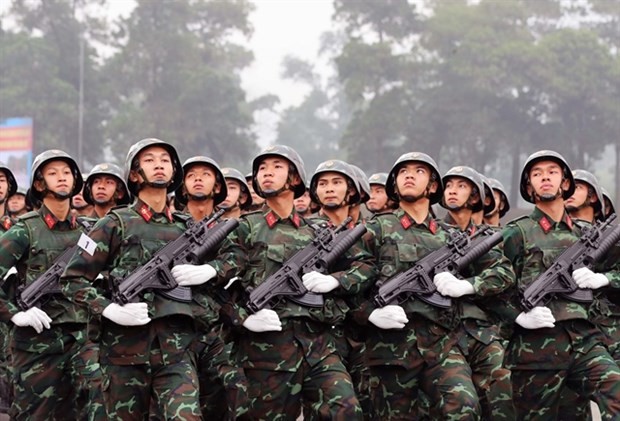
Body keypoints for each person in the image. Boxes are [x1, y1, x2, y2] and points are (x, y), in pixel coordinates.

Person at [186, 145, 366, 418]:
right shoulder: (244, 228)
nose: (267, 173)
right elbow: (212, 291)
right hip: (265, 351)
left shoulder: (320, 231)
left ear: (295, 179)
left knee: (347, 411)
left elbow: (365, 266)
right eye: (262, 168)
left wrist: (336, 281)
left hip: (319, 345)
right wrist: (242, 317)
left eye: (276, 167)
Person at [60, 138, 203, 420]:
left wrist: (211, 271)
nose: (159, 164)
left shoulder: (188, 228)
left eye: (164, 159)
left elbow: (224, 275)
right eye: (149, 160)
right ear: (135, 174)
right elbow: (72, 279)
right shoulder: (113, 224)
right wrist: (109, 309)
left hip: (176, 353)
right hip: (124, 354)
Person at [355, 152, 481, 419]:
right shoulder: (375, 230)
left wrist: (469, 285)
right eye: (403, 172)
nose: (409, 175)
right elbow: (345, 285)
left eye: (419, 171)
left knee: (464, 405)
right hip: (390, 350)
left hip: (442, 345)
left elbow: (503, 271)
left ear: (434, 186)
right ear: (395, 184)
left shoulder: (451, 237)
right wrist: (369, 313)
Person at [501, 150, 620, 419]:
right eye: (537, 173)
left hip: (584, 343)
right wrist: (517, 315)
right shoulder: (516, 233)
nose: (545, 177)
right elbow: (490, 288)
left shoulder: (585, 234)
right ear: (528, 185)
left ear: (565, 183)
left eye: (552, 172)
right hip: (536, 351)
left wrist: (605, 278)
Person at [0, 150, 99, 420]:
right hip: (37, 342)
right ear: (40, 183)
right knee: (36, 414)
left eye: (67, 172)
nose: (62, 178)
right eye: (53, 173)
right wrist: (14, 313)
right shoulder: (25, 230)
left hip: (83, 337)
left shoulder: (89, 230)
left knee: (96, 404)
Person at [439, 165, 516, 419]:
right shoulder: (433, 234)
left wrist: (470, 285)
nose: (452, 191)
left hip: (482, 332)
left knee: (504, 390)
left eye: (461, 186)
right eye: (449, 186)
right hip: (439, 334)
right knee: (460, 404)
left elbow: (503, 274)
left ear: (475, 197)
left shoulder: (489, 238)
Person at [307, 159, 375, 418]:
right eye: (323, 184)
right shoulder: (306, 231)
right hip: (319, 333)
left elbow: (377, 273)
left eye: (337, 183)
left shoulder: (369, 233)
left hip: (364, 333)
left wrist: (339, 281)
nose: (329, 189)